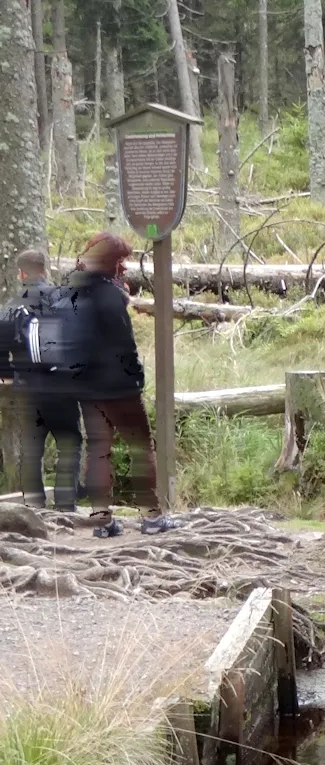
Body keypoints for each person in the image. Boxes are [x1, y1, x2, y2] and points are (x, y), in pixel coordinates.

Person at [65, 231, 176, 539]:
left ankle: (101, 520)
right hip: (119, 387)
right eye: (120, 260)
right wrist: (136, 377)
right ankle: (152, 517)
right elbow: (123, 344)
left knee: (98, 450)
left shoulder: (71, 290)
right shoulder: (110, 296)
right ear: (109, 262)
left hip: (87, 386)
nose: (124, 267)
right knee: (141, 447)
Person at [0, 249, 83, 510]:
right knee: (69, 443)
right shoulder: (64, 298)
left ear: (21, 273)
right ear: (44, 270)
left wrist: (8, 374)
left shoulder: (11, 305)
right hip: (63, 387)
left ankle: (35, 509)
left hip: (28, 389)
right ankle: (66, 507)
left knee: (31, 450)